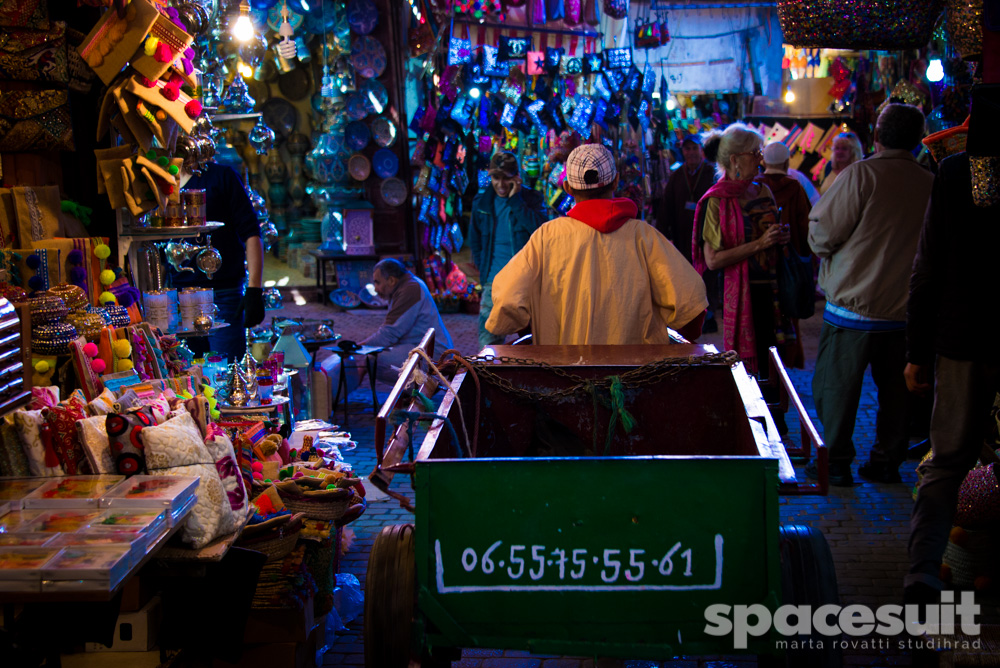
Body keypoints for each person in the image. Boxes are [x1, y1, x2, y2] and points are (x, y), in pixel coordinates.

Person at [806, 104, 932, 487]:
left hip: (853, 311)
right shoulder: (930, 181)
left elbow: (823, 235)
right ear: (919, 139)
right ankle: (886, 463)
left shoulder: (862, 175)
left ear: (876, 135)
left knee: (836, 390)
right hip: (905, 313)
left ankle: (838, 464)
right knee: (897, 397)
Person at [486, 143, 707, 345]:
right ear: (616, 181)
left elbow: (507, 302)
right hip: (634, 378)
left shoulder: (547, 237)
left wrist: (533, 327)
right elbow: (692, 306)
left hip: (562, 376)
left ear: (567, 188)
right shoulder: (644, 236)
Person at [905, 151, 1000, 607]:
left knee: (945, 464)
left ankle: (923, 572)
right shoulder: (961, 171)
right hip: (964, 339)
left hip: (964, 336)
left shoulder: (959, 170)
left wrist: (917, 351)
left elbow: (929, 266)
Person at [692, 124, 796, 379]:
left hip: (773, 292)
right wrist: (759, 244)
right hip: (744, 295)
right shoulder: (716, 201)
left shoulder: (763, 190)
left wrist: (781, 237)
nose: (761, 159)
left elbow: (772, 235)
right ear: (735, 160)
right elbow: (713, 260)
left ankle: (777, 416)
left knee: (775, 369)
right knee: (751, 373)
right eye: (755, 153)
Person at [176, 163, 265, 362]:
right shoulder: (161, 180)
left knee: (225, 370)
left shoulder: (222, 175)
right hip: (177, 297)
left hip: (222, 294)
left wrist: (254, 290)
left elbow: (251, 232)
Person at [467, 152, 547, 348]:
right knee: (489, 342)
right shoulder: (481, 203)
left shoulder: (531, 199)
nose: (501, 184)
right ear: (490, 177)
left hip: (527, 281)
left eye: (506, 178)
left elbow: (542, 231)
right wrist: (484, 272)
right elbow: (475, 241)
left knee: (536, 340)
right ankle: (489, 378)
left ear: (516, 177)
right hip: (493, 282)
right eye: (496, 177)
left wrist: (515, 201)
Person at [361, 258, 454, 384]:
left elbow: (389, 334)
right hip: (419, 347)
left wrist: (359, 348)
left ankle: (423, 389)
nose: (376, 289)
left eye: (378, 283)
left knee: (373, 360)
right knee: (370, 357)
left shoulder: (410, 289)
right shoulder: (407, 285)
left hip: (433, 352)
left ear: (392, 280)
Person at [657, 134, 716, 265]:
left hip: (706, 236)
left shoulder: (712, 174)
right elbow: (666, 208)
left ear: (701, 150)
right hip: (682, 237)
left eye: (695, 148)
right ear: (683, 151)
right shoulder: (676, 176)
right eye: (687, 149)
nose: (691, 153)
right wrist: (663, 237)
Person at [819, 131, 864, 195]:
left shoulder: (860, 171)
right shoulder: (828, 167)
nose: (839, 152)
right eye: (837, 148)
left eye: (844, 148)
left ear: (853, 151)